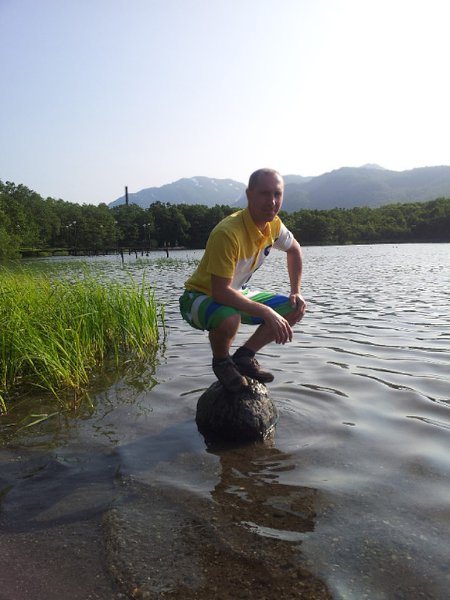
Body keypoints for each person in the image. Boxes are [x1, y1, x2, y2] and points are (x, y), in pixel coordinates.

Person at [179, 168, 306, 392]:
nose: (272, 201)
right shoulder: (228, 233)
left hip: (236, 291)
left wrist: (296, 290)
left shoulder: (274, 225)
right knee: (230, 318)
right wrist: (266, 312)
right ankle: (222, 362)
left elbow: (294, 250)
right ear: (249, 195)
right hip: (199, 296)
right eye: (264, 193)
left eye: (277, 194)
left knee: (295, 307)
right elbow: (221, 292)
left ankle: (244, 357)